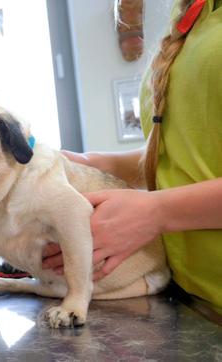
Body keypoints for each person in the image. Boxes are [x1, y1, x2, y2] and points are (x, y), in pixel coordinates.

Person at [41, 0, 222, 320]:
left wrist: (157, 211)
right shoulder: (197, 15)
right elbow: (189, 150)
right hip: (190, 302)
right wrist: (97, 164)